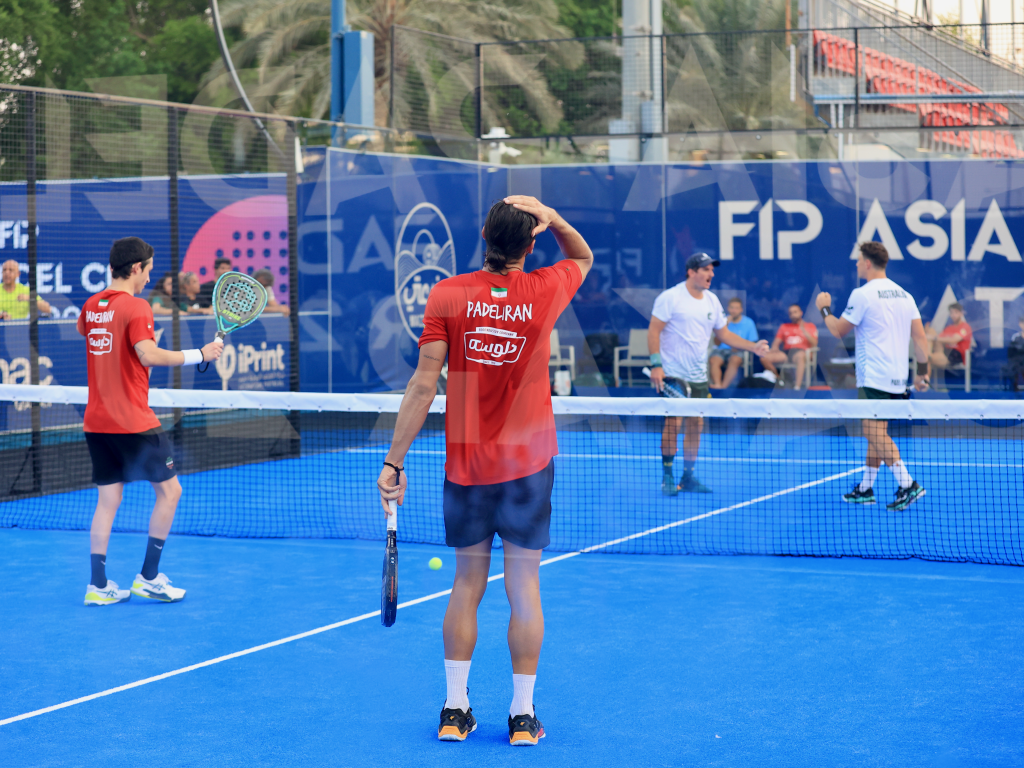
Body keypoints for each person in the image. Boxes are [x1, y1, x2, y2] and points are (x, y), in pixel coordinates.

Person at [376, 196, 592, 747]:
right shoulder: (544, 289)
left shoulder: (448, 294)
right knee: (524, 586)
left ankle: (455, 710)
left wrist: (394, 460)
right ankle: (522, 716)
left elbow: (423, 385)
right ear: (531, 244)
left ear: (482, 236)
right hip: (528, 464)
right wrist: (552, 216)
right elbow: (583, 257)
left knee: (467, 583)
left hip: (468, 462)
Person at [78, 237, 223, 606]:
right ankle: (149, 577)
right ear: (135, 268)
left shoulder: (91, 305)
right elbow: (147, 355)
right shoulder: (137, 306)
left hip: (96, 421)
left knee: (108, 500)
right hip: (133, 421)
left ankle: (98, 585)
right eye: (148, 270)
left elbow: (91, 334)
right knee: (170, 492)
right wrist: (200, 354)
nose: (149, 277)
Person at [815, 241, 930, 512]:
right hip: (898, 378)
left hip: (874, 378)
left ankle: (908, 484)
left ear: (867, 263)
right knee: (877, 432)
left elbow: (838, 330)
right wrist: (922, 373)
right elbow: (920, 338)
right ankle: (866, 488)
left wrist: (824, 309)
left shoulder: (862, 294)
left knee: (871, 430)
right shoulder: (905, 295)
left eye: (858, 260)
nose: (856, 264)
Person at [648, 253, 770, 495]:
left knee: (696, 424)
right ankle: (667, 477)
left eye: (712, 270)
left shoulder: (712, 301)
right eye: (705, 269)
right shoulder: (670, 297)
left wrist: (753, 347)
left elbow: (724, 334)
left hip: (699, 377)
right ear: (691, 272)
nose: (711, 274)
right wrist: (656, 365)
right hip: (673, 374)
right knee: (674, 422)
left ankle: (688, 477)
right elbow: (654, 331)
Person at [758, 303, 818, 390]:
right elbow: (776, 343)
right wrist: (774, 348)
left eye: (795, 312)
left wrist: (804, 330)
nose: (793, 315)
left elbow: (814, 343)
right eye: (791, 313)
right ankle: (779, 379)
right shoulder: (784, 326)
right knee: (764, 358)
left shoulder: (810, 326)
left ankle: (797, 387)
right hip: (786, 352)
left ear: (801, 313)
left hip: (801, 352)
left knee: (800, 356)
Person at [708, 297, 757, 389]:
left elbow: (752, 342)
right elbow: (716, 343)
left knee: (734, 360)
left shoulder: (749, 322)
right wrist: (725, 325)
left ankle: (724, 387)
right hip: (721, 350)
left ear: (741, 310)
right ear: (728, 308)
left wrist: (740, 347)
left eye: (736, 308)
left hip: (738, 351)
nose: (734, 311)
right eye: (732, 308)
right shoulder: (722, 321)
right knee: (714, 360)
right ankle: (717, 384)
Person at [926, 302, 972, 391]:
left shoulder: (965, 327)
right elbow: (938, 339)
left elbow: (954, 340)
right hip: (945, 352)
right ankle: (927, 355)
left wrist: (933, 337)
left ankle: (924, 384)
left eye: (956, 312)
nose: (953, 315)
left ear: (961, 313)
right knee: (930, 332)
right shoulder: (948, 328)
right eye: (951, 313)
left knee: (925, 360)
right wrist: (929, 334)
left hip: (956, 355)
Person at [1008, 316, 1024, 392]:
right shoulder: (1015, 337)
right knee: (1014, 368)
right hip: (1017, 362)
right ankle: (1015, 389)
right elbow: (1011, 352)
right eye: (1022, 323)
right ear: (1020, 324)